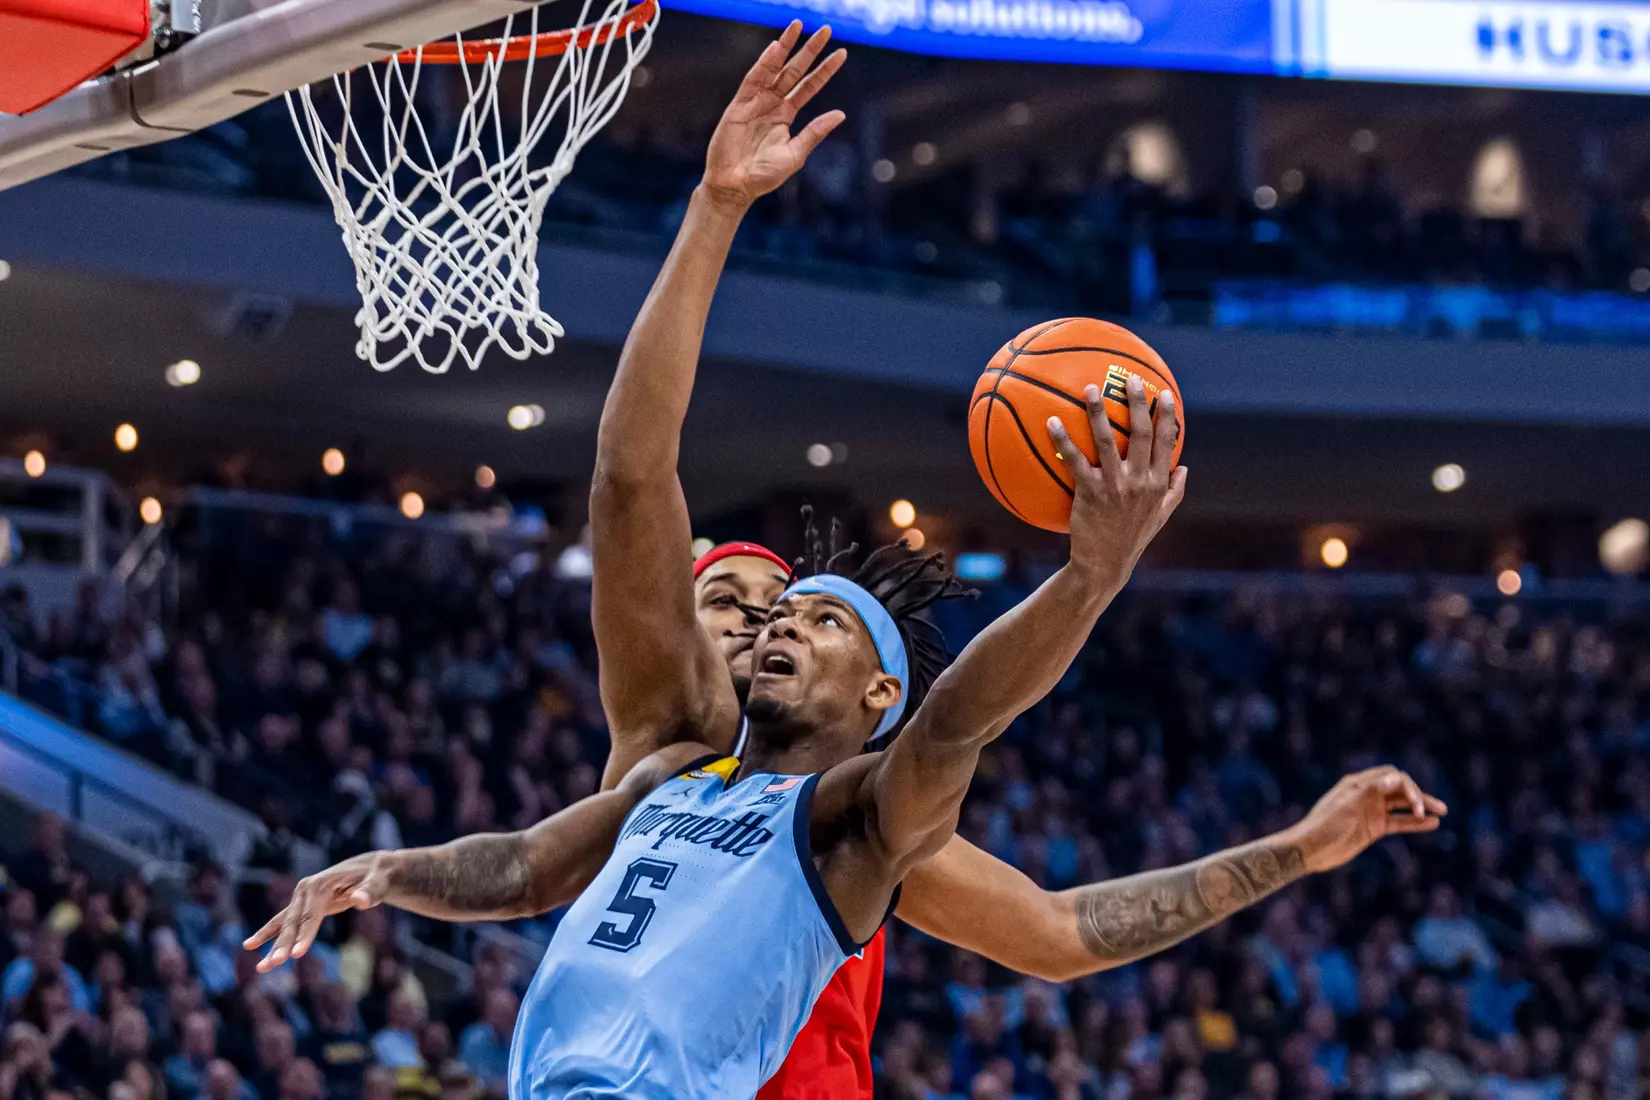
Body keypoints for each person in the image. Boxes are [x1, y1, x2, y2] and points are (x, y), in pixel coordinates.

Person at [244, 24, 1445, 1100]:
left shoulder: (856, 812)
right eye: (733, 602)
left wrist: (1291, 836)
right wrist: (715, 206)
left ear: (876, 689)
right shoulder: (666, 761)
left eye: (794, 608)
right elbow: (627, 488)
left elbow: (1055, 911)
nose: (764, 621)